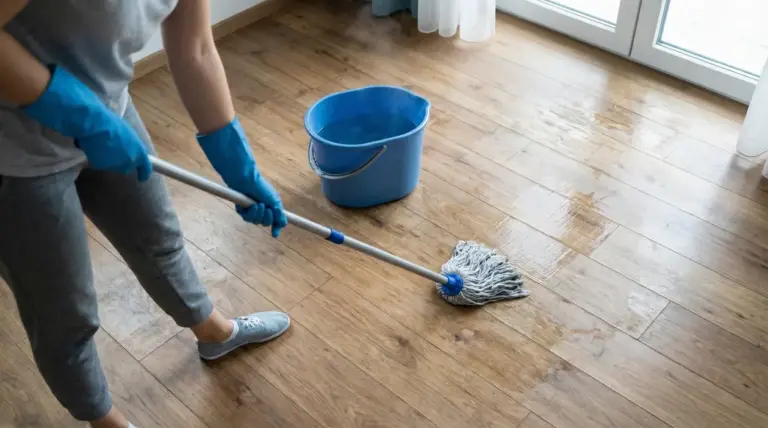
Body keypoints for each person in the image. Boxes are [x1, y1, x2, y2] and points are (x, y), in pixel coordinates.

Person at [0, 1, 292, 427]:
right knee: (63, 313)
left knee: (160, 240)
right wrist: (80, 116)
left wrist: (239, 167)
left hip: (108, 114)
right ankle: (106, 422)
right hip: (12, 155)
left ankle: (214, 333)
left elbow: (195, 50)